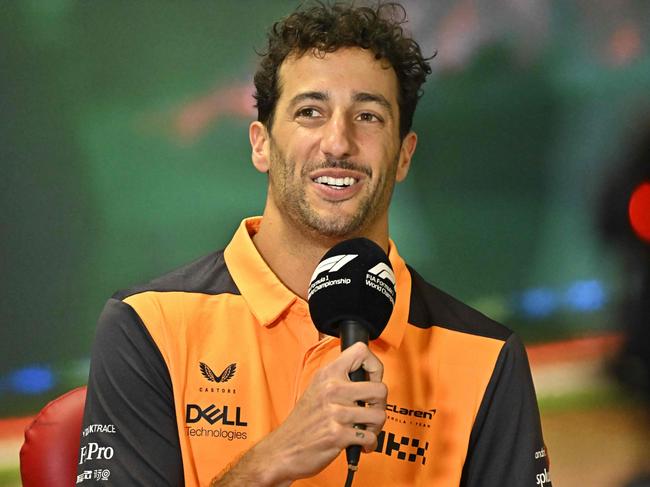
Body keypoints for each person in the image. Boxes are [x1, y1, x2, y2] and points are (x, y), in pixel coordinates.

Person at [77, 3, 552, 486]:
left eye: (368, 115)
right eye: (310, 112)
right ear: (261, 144)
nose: (338, 142)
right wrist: (271, 461)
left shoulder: (487, 357)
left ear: (405, 155)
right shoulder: (149, 326)